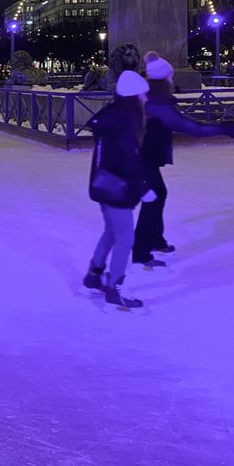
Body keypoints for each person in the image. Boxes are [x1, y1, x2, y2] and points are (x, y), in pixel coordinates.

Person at [132, 54, 234, 267]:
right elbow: (190, 127)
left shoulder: (153, 99)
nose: (172, 82)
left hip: (145, 156)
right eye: (170, 78)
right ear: (164, 79)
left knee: (158, 194)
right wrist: (222, 128)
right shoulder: (156, 105)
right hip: (139, 157)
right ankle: (141, 252)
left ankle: (154, 240)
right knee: (153, 197)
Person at [83, 70, 156, 310]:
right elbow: (130, 159)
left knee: (111, 232)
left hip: (104, 183)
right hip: (118, 187)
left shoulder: (112, 113)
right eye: (143, 94)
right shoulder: (127, 120)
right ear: (134, 95)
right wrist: (143, 187)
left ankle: (94, 275)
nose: (146, 98)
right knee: (125, 238)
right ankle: (115, 288)